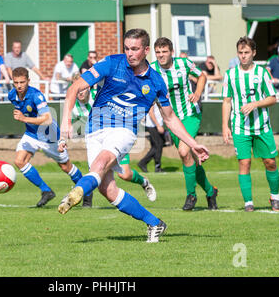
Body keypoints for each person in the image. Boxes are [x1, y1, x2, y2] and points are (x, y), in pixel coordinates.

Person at [57, 28, 210, 243]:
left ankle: (75, 193)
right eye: (127, 48)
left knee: (100, 165)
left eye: (135, 49)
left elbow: (170, 118)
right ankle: (155, 223)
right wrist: (65, 121)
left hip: (124, 130)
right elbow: (75, 87)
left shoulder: (155, 81)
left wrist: (193, 144)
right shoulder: (112, 63)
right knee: (107, 189)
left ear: (146, 50)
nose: (130, 53)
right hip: (94, 129)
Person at [151, 37, 218, 211]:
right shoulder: (152, 69)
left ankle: (191, 195)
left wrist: (197, 92)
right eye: (158, 52)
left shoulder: (183, 63)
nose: (161, 55)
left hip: (190, 115)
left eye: (164, 51)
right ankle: (210, 191)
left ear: (171, 52)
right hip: (171, 120)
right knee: (192, 159)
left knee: (183, 151)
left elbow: (201, 76)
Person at [69, 73, 157, 207]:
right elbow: (69, 125)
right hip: (96, 140)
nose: (80, 92)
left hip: (116, 135)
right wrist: (65, 137)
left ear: (88, 87)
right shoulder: (74, 108)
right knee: (98, 173)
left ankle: (144, 182)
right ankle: (85, 195)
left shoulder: (99, 94)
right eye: (77, 89)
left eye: (82, 88)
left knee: (125, 175)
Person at [222, 36, 279, 212]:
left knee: (270, 162)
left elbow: (272, 98)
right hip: (240, 127)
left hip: (262, 126)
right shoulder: (230, 74)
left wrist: (255, 104)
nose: (243, 56)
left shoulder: (262, 73)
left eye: (247, 52)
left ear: (254, 53)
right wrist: (225, 126)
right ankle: (248, 202)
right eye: (240, 53)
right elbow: (227, 101)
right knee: (244, 163)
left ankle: (275, 197)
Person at [9, 67, 83, 207]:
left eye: (22, 82)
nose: (19, 85)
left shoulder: (37, 96)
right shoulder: (12, 95)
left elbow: (48, 119)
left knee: (65, 167)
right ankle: (46, 191)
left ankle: (86, 191)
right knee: (19, 161)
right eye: (16, 82)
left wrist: (24, 119)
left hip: (50, 136)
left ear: (29, 81)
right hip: (31, 134)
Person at [137, 103, 166, 173]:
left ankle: (157, 166)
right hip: (152, 125)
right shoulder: (153, 97)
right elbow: (151, 113)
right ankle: (143, 163)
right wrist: (158, 125)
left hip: (157, 125)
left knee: (157, 146)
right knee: (157, 146)